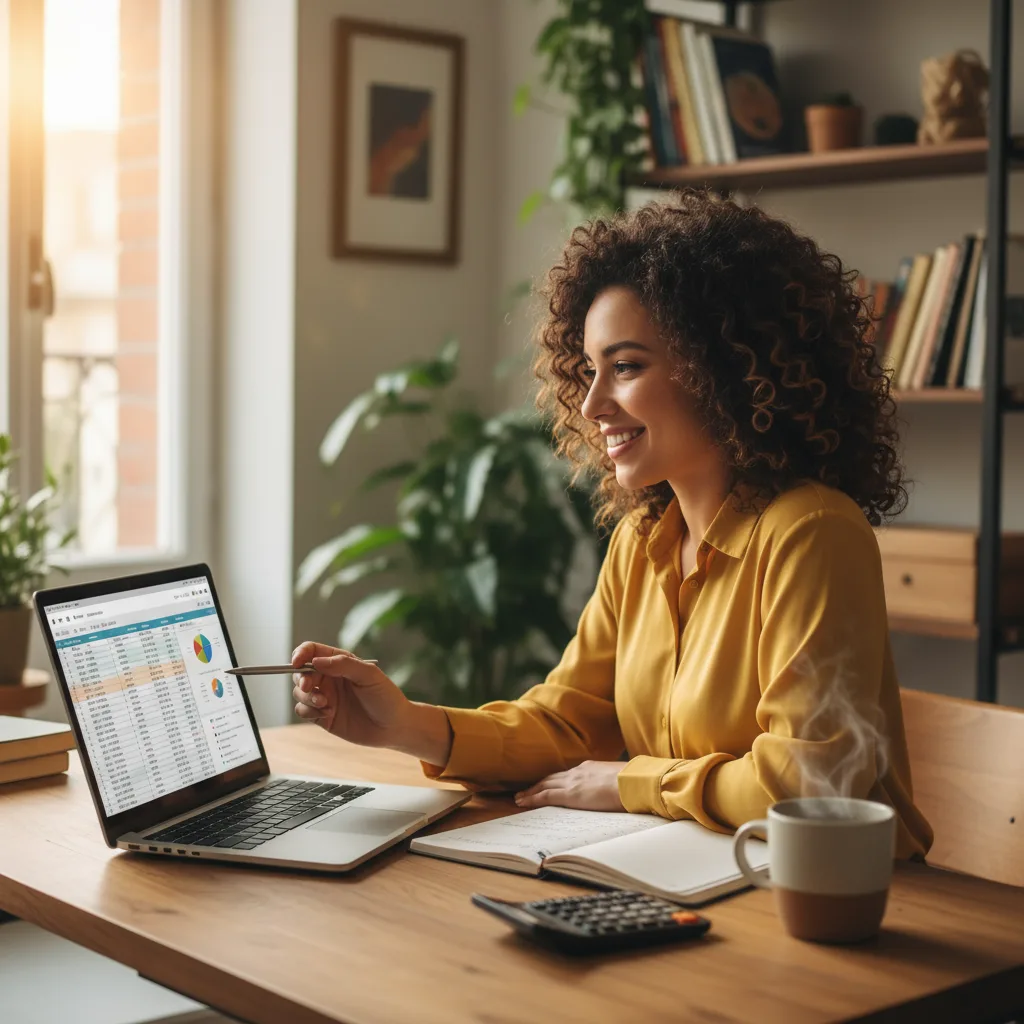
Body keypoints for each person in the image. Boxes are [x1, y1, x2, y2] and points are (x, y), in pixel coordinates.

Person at [293, 192, 933, 859]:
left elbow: (807, 782)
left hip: (842, 898)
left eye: (625, 367)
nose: (594, 403)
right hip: (710, 871)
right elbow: (567, 724)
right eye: (590, 370)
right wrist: (406, 725)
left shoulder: (812, 531)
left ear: (726, 370)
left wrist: (635, 782)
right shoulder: (642, 541)